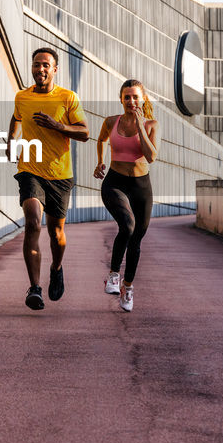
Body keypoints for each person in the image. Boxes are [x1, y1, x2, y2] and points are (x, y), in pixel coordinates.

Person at [8, 48, 89, 311]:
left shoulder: (68, 97)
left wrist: (58, 126)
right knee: (33, 224)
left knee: (57, 234)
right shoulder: (22, 96)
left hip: (60, 176)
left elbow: (85, 132)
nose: (40, 69)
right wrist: (11, 141)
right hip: (30, 170)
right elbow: (16, 117)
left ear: (55, 69)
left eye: (45, 65)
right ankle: (34, 288)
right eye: (36, 64)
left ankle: (56, 267)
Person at [93, 79, 158, 312]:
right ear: (121, 99)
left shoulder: (151, 124)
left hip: (141, 185)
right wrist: (100, 162)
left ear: (143, 99)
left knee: (136, 239)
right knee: (127, 226)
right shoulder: (111, 121)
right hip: (115, 182)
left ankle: (127, 287)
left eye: (135, 97)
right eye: (127, 97)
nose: (131, 101)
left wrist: (141, 126)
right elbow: (100, 139)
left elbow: (151, 157)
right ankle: (113, 275)